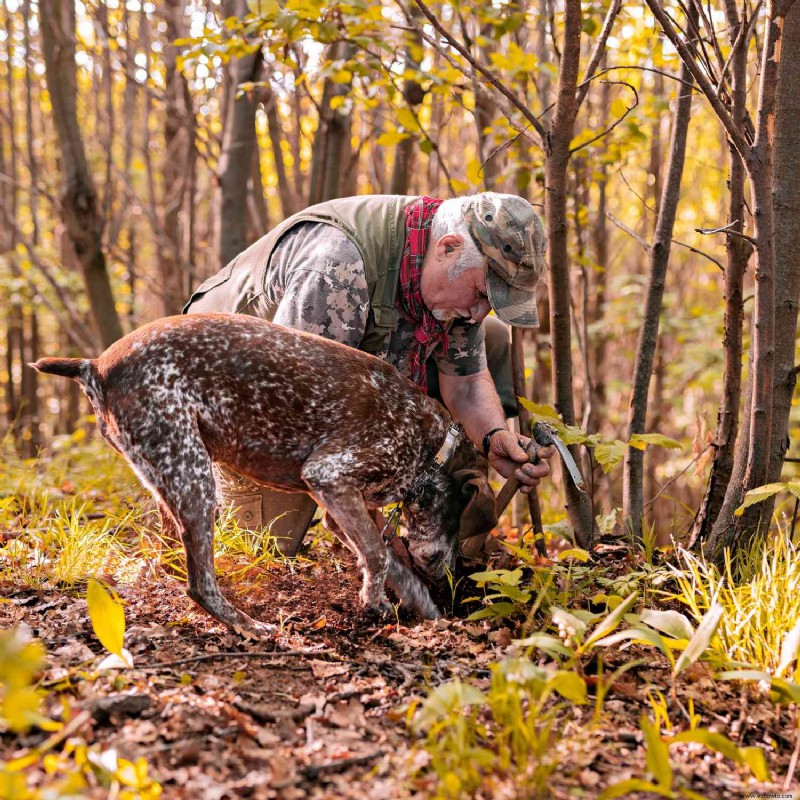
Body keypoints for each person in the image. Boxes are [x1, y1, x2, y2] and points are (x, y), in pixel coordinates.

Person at [184, 192, 553, 554]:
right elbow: (303, 419)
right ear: (448, 248)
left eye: (489, 302)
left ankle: (448, 539)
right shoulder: (337, 267)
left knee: (494, 341)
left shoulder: (454, 283)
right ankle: (204, 496)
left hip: (336, 380)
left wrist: (493, 436)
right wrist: (377, 543)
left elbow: (468, 383)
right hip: (244, 399)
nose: (477, 312)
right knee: (262, 552)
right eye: (480, 293)